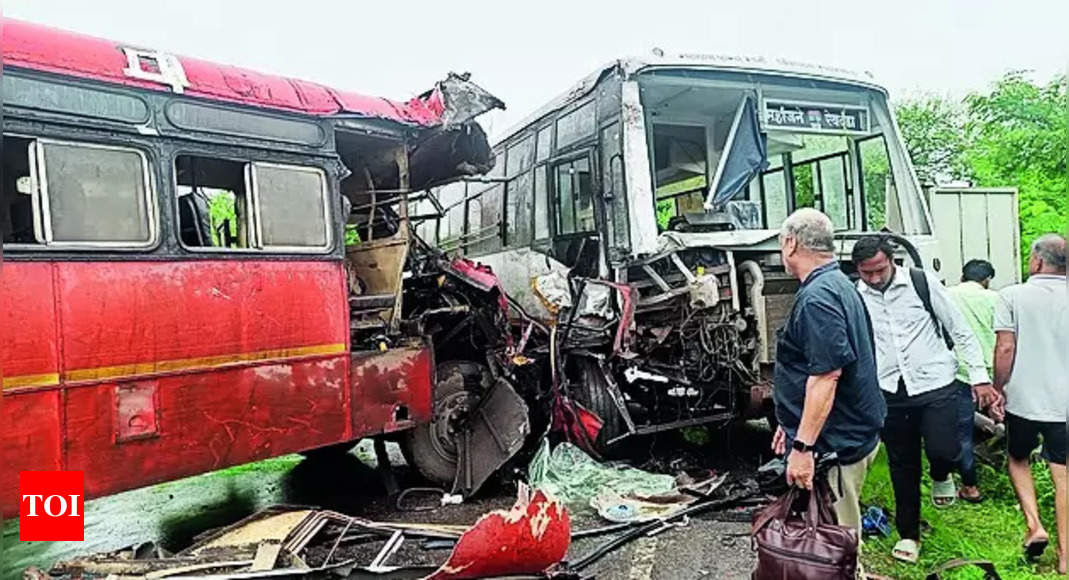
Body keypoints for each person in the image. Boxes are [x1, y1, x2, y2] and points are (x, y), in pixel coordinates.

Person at [851, 235, 997, 564]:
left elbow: (959, 329)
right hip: (890, 389)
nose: (875, 279)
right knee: (902, 466)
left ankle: (942, 474)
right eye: (866, 273)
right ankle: (908, 535)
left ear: (892, 260)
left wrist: (979, 376)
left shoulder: (920, 282)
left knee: (943, 448)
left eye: (880, 270)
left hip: (936, 382)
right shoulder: (857, 296)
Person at [771, 208, 885, 537]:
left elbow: (826, 377)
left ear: (790, 244)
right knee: (832, 538)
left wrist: (803, 449)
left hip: (837, 443)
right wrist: (790, 420)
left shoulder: (818, 299)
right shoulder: (839, 285)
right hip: (848, 432)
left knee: (835, 545)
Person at [990, 233, 1068, 574]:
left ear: (1036, 261)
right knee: (1063, 474)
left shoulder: (1012, 295)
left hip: (1024, 399)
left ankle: (1035, 524)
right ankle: (1067, 557)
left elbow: (1005, 348)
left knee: (1018, 457)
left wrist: (998, 387)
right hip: (1065, 404)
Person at [946, 259, 999, 503]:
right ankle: (1010, 471)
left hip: (958, 372)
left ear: (962, 276)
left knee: (962, 431)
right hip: (990, 373)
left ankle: (970, 486)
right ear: (986, 280)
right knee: (1003, 419)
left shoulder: (947, 295)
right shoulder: (995, 299)